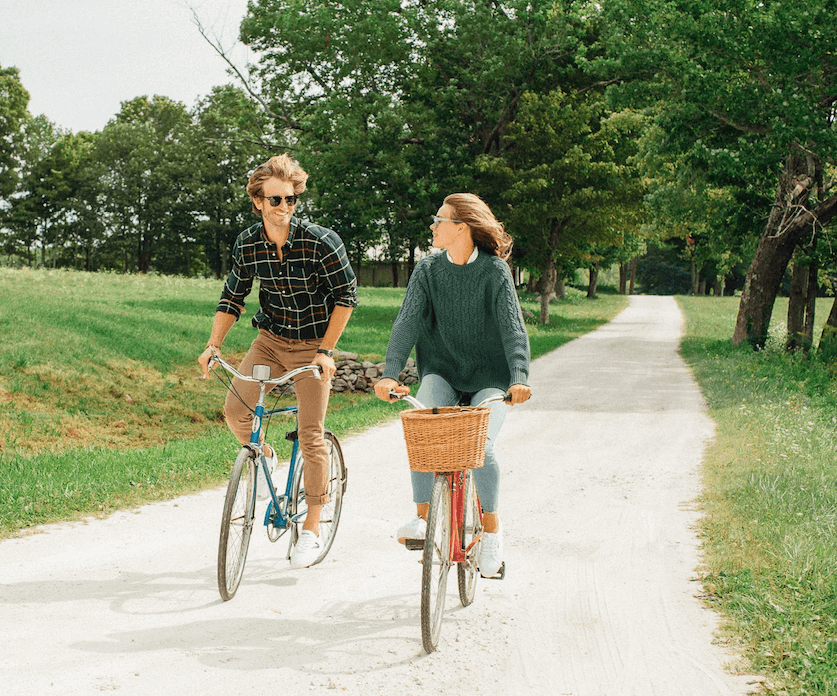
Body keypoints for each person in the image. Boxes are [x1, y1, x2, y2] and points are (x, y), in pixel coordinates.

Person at [198, 154, 358, 569]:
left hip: (312, 346)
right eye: (275, 201)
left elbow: (346, 298)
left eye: (290, 200)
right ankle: (265, 455)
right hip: (269, 341)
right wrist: (214, 344)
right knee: (236, 412)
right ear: (257, 202)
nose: (284, 208)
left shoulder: (323, 242)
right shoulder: (248, 243)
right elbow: (232, 298)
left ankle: (312, 527)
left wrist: (325, 351)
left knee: (311, 434)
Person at [374, 193, 531, 578]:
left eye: (439, 219)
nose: (433, 226)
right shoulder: (427, 270)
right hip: (442, 371)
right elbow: (406, 322)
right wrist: (391, 372)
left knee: (482, 449)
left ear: (462, 227)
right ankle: (424, 519)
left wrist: (519, 378)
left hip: (489, 377)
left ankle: (491, 536)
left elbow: (513, 329)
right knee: (423, 433)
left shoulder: (494, 272)